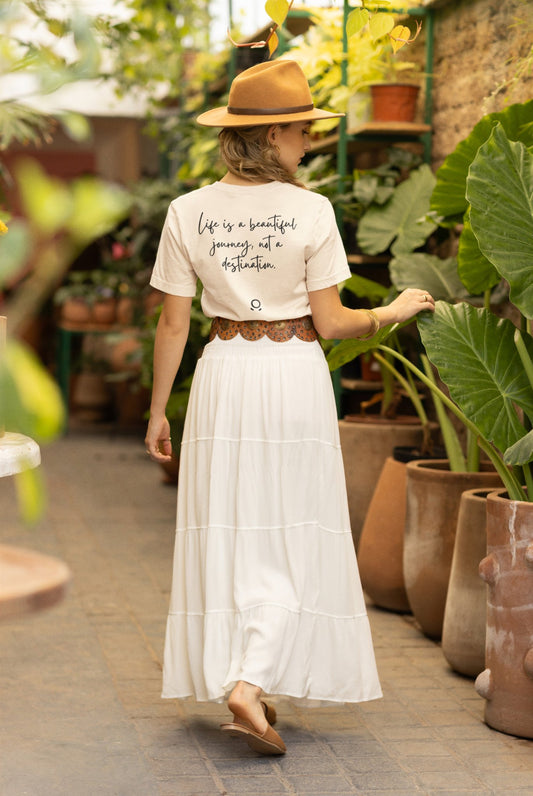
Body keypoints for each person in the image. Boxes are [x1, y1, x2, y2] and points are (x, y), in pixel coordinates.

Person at [145, 59, 435, 756]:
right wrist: (392, 311)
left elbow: (172, 325)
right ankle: (251, 682)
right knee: (292, 532)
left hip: (221, 379)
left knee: (233, 531)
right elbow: (334, 325)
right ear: (271, 134)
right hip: (291, 378)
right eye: (302, 130)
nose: (307, 141)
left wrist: (158, 411)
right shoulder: (310, 212)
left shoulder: (188, 212)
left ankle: (247, 678)